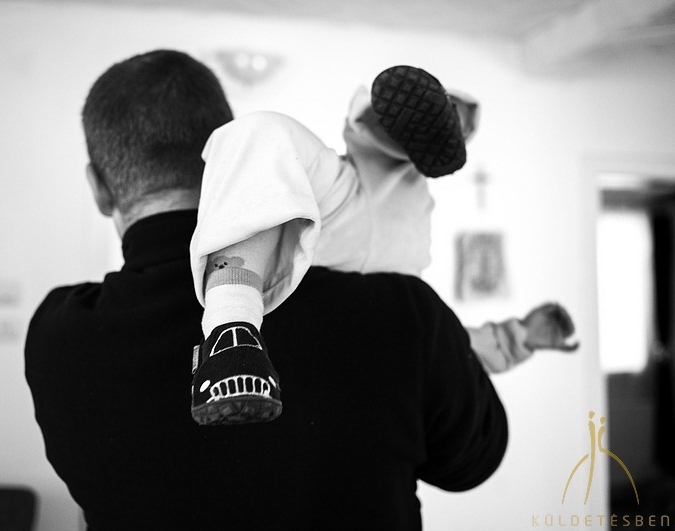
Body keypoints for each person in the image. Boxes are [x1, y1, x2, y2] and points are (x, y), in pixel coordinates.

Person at [24, 49, 509, 531]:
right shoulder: (400, 308)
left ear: (99, 188)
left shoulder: (58, 336)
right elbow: (471, 461)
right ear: (223, 159)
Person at [190, 66, 579, 424]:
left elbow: (445, 345)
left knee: (265, 131)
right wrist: (515, 340)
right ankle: (231, 335)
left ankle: (229, 332)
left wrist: (517, 338)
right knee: (263, 132)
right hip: (360, 210)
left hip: (386, 234)